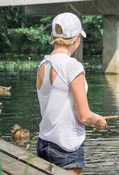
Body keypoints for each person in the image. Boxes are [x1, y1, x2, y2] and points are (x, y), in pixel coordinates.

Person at [36, 12, 107, 175]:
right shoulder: (72, 66)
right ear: (76, 39)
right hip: (66, 145)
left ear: (53, 35)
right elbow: (85, 117)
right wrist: (98, 121)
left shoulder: (43, 64)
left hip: (44, 142)